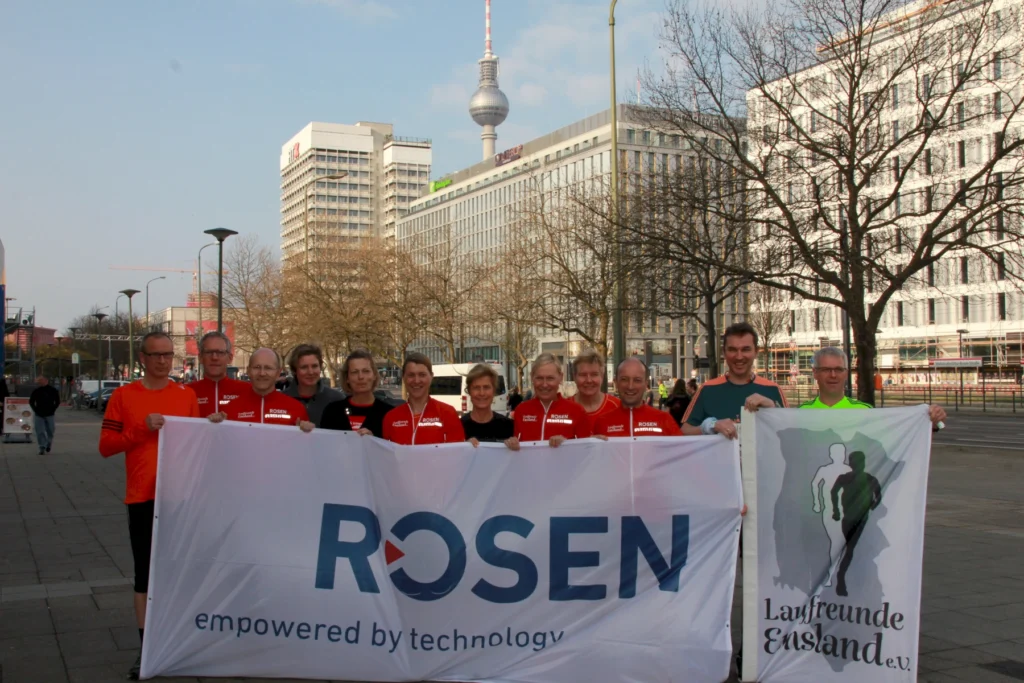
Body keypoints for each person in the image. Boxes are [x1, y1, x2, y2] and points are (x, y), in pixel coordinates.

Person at [98, 332, 200, 681]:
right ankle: (147, 649)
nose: (162, 361)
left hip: (179, 499)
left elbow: (198, 445)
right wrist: (141, 429)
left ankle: (177, 640)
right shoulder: (124, 396)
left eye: (168, 355)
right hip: (142, 497)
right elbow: (106, 446)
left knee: (178, 574)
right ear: (142, 358)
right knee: (145, 575)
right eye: (156, 355)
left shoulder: (186, 396)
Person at [744, 346, 947, 427]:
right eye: (825, 369)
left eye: (838, 369)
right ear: (815, 373)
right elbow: (782, 434)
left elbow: (896, 438)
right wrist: (770, 407)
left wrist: (928, 421)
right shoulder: (803, 413)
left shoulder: (864, 412)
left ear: (846, 373)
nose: (833, 375)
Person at [681, 322, 788, 439]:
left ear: (756, 352)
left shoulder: (772, 389)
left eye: (745, 349)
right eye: (732, 350)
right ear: (724, 353)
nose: (739, 356)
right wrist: (711, 426)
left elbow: (791, 435)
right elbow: (684, 432)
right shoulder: (707, 389)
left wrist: (773, 408)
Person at [209, 348, 313, 431]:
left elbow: (306, 450)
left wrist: (308, 433)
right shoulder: (229, 409)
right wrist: (212, 426)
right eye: (257, 367)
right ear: (248, 371)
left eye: (268, 368)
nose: (262, 373)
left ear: (278, 372)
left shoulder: (296, 408)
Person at [830, 450, 882, 597]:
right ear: (851, 464)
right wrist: (836, 510)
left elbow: (878, 495)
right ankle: (841, 576)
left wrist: (872, 506)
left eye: (860, 461)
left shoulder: (870, 479)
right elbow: (833, 492)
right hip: (849, 519)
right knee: (850, 548)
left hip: (861, 519)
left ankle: (845, 577)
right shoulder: (845, 478)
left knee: (854, 548)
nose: (858, 464)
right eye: (856, 462)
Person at [382, 353, 464, 445]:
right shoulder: (391, 418)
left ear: (431, 377)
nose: (416, 381)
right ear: (403, 378)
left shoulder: (448, 413)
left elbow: (458, 454)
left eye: (422, 375)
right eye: (411, 375)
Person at [514, 352, 592, 446]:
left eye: (550, 378)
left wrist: (566, 444)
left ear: (560, 378)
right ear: (532, 377)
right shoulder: (521, 411)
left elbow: (587, 451)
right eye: (539, 378)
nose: (545, 384)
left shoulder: (577, 411)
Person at [593, 359, 682, 438]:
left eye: (637, 380)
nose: (630, 386)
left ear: (645, 384)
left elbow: (684, 453)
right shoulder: (602, 422)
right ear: (616, 382)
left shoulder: (664, 420)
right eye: (624, 379)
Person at [320, 349, 393, 437]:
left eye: (366, 371)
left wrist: (374, 442)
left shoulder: (389, 414)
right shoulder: (332, 412)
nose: (361, 377)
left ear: (374, 375)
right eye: (354, 372)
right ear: (347, 378)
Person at [187, 331, 249, 418]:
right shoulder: (187, 392)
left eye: (220, 352)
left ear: (230, 358)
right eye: (209, 352)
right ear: (200, 357)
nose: (214, 357)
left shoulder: (247, 391)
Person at [282, 344, 344, 426]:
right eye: (304, 367)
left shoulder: (337, 399)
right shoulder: (282, 400)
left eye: (314, 366)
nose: (310, 372)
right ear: (294, 370)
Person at [461, 363, 519, 449]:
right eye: (476, 387)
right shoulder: (458, 427)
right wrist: (462, 447)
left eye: (486, 387)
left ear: (494, 391)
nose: (482, 393)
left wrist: (517, 450)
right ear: (469, 391)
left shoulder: (509, 426)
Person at [570, 350, 620, 424]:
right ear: (574, 377)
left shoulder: (617, 406)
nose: (589, 380)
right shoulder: (563, 409)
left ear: (602, 376)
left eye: (594, 374)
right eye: (583, 375)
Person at [29, 376, 61, 454]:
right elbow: (31, 401)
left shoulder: (53, 390)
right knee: (40, 431)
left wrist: (53, 409)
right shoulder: (36, 391)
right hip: (39, 414)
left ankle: (48, 444)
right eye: (39, 381)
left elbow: (57, 401)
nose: (40, 382)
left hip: (50, 414)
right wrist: (35, 409)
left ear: (46, 380)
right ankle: (42, 447)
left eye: (41, 380)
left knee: (50, 430)